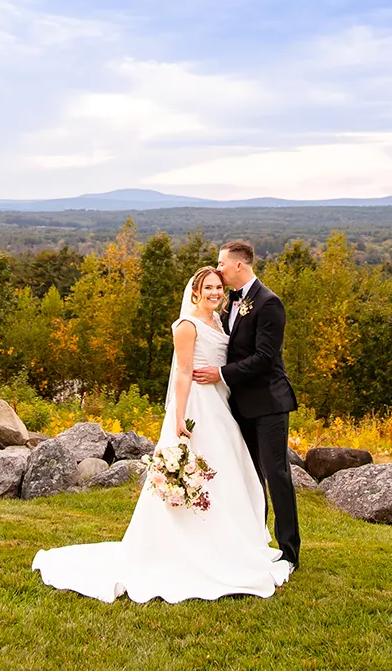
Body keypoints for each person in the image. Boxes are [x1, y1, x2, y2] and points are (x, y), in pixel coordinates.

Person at [30, 266, 292, 603]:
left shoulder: (219, 321)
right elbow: (183, 372)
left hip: (221, 408)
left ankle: (227, 544)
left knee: (229, 477)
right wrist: (180, 417)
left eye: (218, 288)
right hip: (196, 410)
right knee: (197, 474)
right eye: (207, 288)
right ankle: (181, 548)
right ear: (194, 292)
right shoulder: (186, 325)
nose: (215, 293)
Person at [193, 240, 300, 567]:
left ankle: (289, 552)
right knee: (250, 477)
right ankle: (255, 541)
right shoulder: (230, 303)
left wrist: (220, 374)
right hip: (239, 406)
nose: (219, 268)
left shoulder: (269, 303)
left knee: (276, 474)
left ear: (239, 265)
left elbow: (265, 359)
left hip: (269, 404)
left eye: (222, 263)